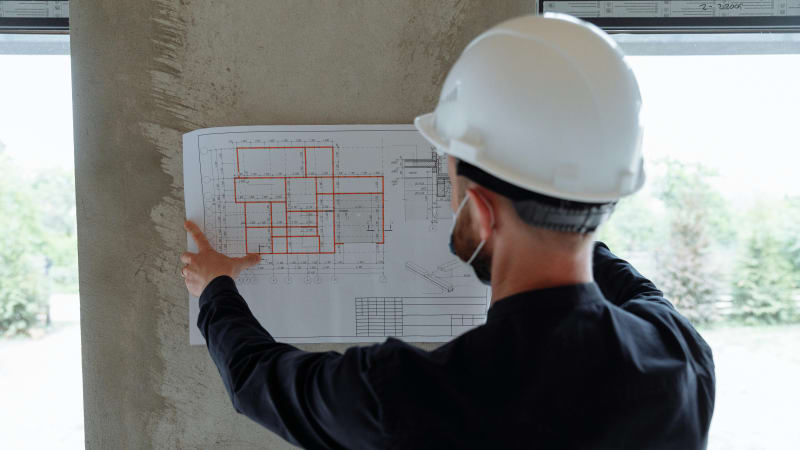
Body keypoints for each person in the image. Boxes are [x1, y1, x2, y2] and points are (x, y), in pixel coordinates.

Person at [180, 13, 715, 449]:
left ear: (482, 212)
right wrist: (562, 216)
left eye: (453, 185)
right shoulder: (679, 357)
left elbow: (259, 381)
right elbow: (638, 290)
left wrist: (214, 288)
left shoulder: (411, 398)